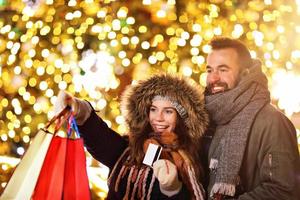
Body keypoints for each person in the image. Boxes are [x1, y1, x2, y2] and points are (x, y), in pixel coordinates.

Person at [54, 74, 209, 199]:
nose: (158, 118)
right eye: (153, 109)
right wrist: (78, 108)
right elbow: (99, 138)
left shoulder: (185, 160)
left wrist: (172, 188)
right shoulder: (128, 150)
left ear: (180, 118)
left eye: (168, 111)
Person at [202, 37, 300, 200]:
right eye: (209, 70)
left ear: (245, 73)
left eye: (223, 69)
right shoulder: (206, 119)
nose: (213, 78)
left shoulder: (272, 122)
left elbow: (283, 191)